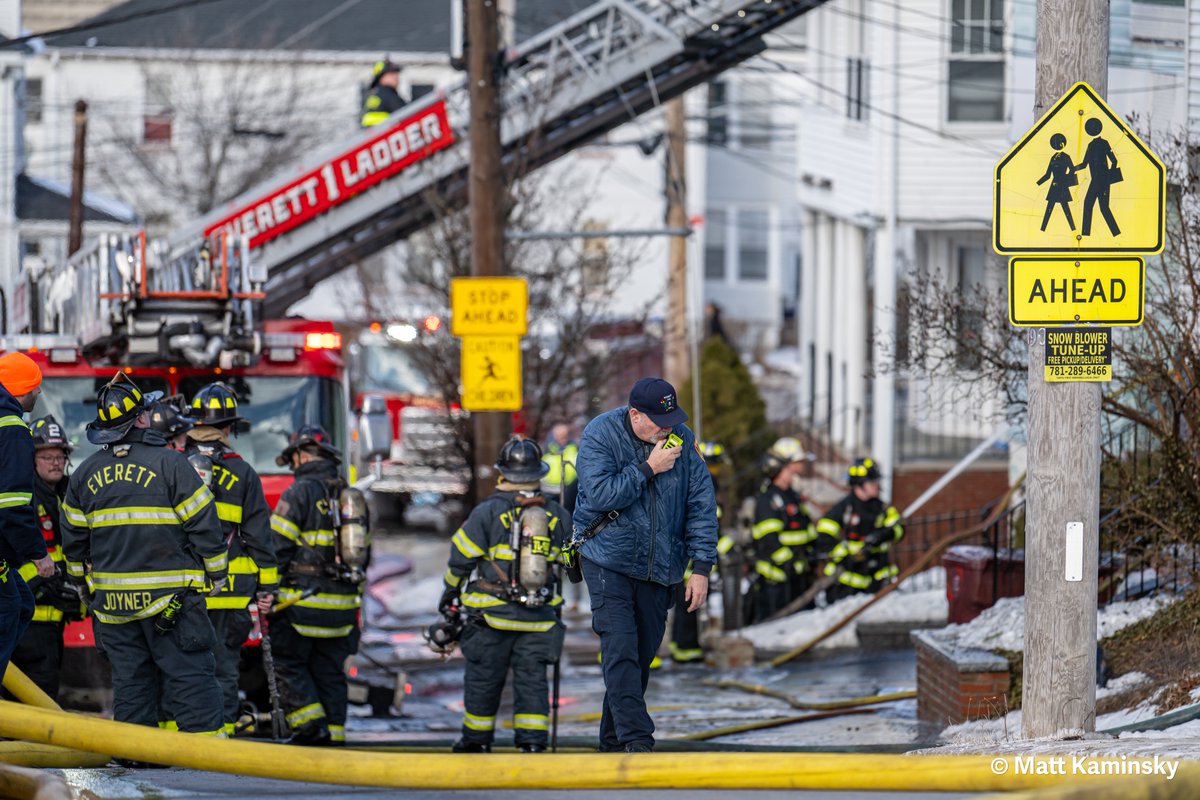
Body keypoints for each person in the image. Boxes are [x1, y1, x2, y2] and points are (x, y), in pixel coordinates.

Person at [60, 372, 227, 738]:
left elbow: (72, 542)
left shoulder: (84, 476)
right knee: (190, 678)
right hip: (172, 603)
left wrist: (82, 586)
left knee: (132, 683)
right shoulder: (172, 465)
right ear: (139, 419)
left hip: (113, 606)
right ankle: (209, 759)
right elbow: (205, 525)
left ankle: (137, 759)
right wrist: (217, 574)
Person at [572, 377, 718, 753]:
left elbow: (701, 504)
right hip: (608, 559)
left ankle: (612, 742)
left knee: (640, 656)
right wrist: (648, 468)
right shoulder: (600, 434)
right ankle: (637, 740)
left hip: (660, 565)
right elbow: (600, 495)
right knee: (620, 646)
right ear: (635, 414)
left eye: (671, 419)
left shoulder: (682, 440)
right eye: (658, 421)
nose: (667, 428)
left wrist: (701, 567)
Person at [439, 437, 571, 753]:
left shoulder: (486, 512)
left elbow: (460, 560)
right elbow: (571, 564)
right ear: (538, 473)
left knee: (483, 680)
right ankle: (532, 742)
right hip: (539, 619)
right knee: (532, 681)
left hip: (491, 617)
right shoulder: (557, 514)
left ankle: (476, 741)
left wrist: (449, 593)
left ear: (503, 473)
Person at [185, 383, 278, 736]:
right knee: (223, 668)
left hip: (184, 591)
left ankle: (181, 739)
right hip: (232, 593)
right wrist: (267, 588)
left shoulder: (173, 465)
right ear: (229, 428)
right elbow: (258, 537)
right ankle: (222, 740)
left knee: (183, 669)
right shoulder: (244, 473)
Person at [269, 425, 367, 746]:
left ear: (301, 455)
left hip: (301, 604)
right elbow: (364, 555)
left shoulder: (298, 493)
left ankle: (311, 728)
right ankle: (335, 735)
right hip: (342, 609)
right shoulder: (350, 497)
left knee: (288, 664)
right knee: (330, 672)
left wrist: (265, 589)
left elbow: (277, 548)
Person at [9, 416, 82, 701]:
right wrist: (42, 583)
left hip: (54, 619)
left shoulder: (68, 494)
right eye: (47, 457)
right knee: (32, 699)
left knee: (44, 693)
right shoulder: (22, 498)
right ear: (32, 460)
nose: (55, 463)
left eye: (60, 456)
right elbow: (14, 555)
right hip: (27, 621)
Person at [0, 353, 55, 687]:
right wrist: (38, 554)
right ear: (23, 390)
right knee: (10, 609)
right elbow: (11, 505)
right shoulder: (12, 428)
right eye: (36, 387)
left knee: (21, 603)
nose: (39, 393)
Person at [668, 440, 727, 663]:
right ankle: (686, 648)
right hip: (690, 560)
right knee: (688, 605)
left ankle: (680, 646)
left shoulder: (697, 479)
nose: (716, 470)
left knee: (684, 605)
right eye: (715, 464)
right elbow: (706, 523)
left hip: (688, 557)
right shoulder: (703, 481)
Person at [815, 458, 904, 603]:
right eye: (872, 482)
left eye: (877, 481)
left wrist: (883, 535)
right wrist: (844, 554)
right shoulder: (845, 508)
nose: (877, 485)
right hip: (847, 581)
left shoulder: (882, 508)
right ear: (859, 485)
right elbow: (824, 535)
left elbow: (898, 528)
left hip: (877, 576)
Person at [749, 437, 817, 622]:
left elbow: (806, 530)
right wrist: (790, 562)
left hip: (797, 577)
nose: (800, 467)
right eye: (796, 463)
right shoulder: (769, 499)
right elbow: (769, 540)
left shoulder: (792, 496)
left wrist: (813, 552)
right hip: (776, 583)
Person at [1075, 117, 1121, 238]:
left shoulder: (1104, 143)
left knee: (1097, 206)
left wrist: (1109, 176)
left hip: (1101, 180)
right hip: (1096, 180)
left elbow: (1114, 160)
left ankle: (1115, 234)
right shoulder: (1090, 145)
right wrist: (1073, 169)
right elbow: (1084, 164)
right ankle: (1088, 234)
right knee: (1096, 206)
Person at [1036, 132, 1077, 233]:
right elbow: (1048, 175)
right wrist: (1038, 183)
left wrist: (1066, 180)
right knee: (1049, 208)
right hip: (1054, 186)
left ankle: (1073, 229)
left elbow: (1072, 169)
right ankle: (1042, 229)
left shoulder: (1066, 157)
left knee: (1066, 208)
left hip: (1062, 185)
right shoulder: (1053, 158)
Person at [541, 422, 578, 513]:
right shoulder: (546, 449)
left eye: (565, 435)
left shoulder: (575, 448)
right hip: (549, 491)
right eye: (559, 435)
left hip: (571, 491)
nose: (562, 438)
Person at [360, 58, 404, 127]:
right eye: (391, 74)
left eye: (396, 74)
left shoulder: (370, 94)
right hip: (387, 130)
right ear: (380, 77)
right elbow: (405, 114)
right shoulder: (388, 93)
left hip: (369, 132)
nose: (396, 77)